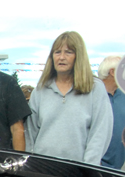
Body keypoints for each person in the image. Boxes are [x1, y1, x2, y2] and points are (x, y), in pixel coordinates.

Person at [26, 31, 112, 165]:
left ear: (79, 56)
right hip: (42, 169)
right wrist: (31, 164)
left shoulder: (95, 88)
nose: (61, 57)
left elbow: (100, 133)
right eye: (57, 52)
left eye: (68, 52)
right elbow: (30, 133)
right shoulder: (41, 89)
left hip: (79, 171)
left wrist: (89, 168)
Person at [98, 55, 125, 169]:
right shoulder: (93, 95)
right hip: (96, 165)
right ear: (113, 72)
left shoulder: (122, 95)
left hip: (119, 166)